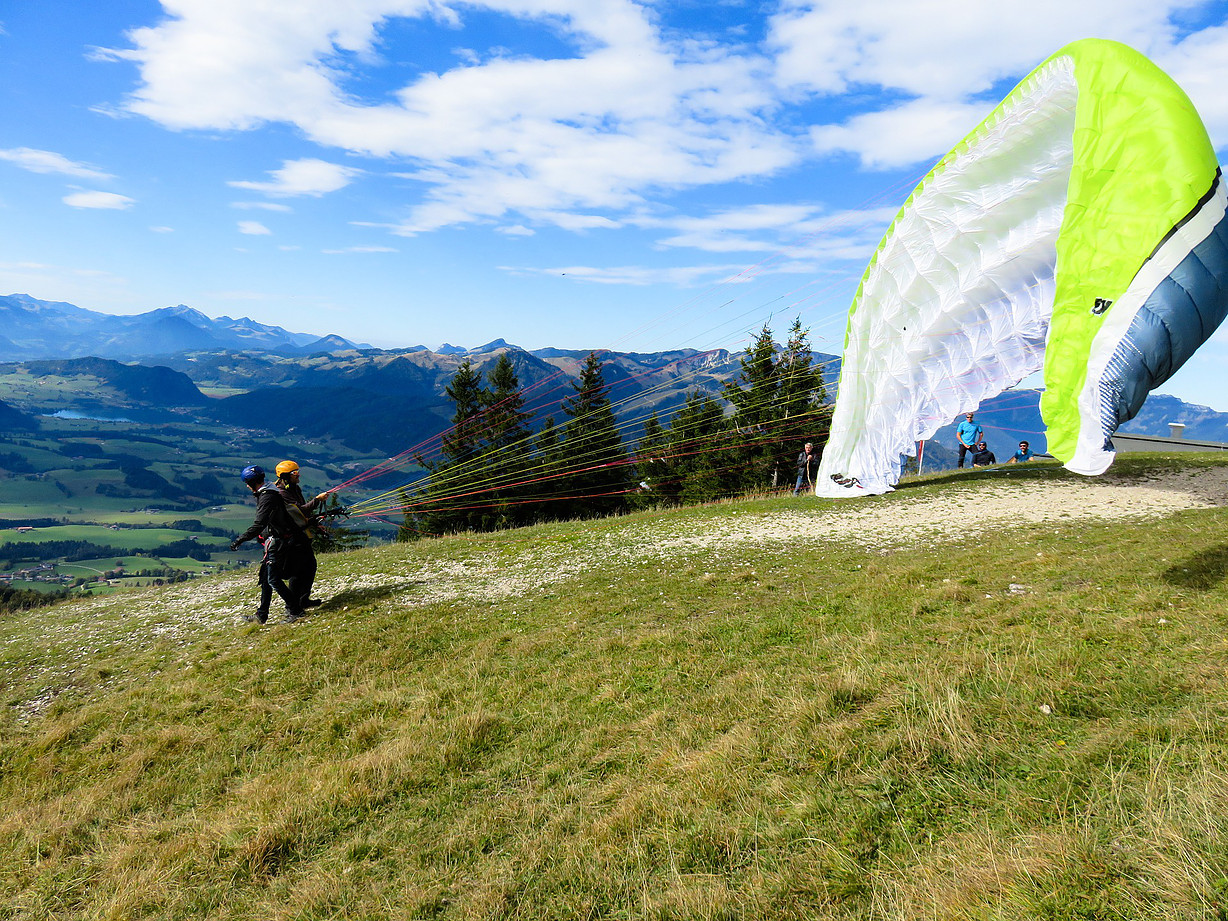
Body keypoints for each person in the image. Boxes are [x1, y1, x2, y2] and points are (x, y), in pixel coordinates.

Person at [230, 464, 310, 624]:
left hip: (280, 542)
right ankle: (262, 614)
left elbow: (259, 524)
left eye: (247, 483)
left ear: (251, 483)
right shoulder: (270, 491)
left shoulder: (267, 496)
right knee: (266, 578)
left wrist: (240, 539)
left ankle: (296, 610)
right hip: (278, 539)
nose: (246, 486)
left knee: (273, 578)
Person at [274, 460, 330, 610]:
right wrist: (317, 500)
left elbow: (303, 515)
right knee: (297, 571)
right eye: (295, 473)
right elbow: (301, 511)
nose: (298, 475)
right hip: (292, 538)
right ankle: (292, 606)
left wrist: (314, 523)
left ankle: (303, 600)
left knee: (310, 566)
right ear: (286, 476)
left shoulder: (294, 489)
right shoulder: (282, 493)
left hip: (302, 534)